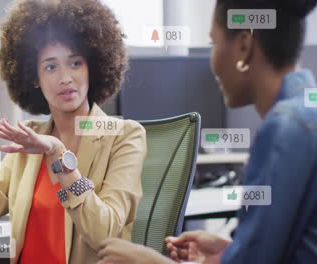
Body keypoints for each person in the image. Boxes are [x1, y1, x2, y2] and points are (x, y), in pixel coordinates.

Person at [97, 0, 317, 263]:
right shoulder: (305, 112)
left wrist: (149, 261)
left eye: (213, 43)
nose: (212, 60)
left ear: (244, 47)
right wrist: (229, 251)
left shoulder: (285, 129)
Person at [0, 0, 147, 263]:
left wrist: (58, 153)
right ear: (34, 77)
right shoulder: (28, 138)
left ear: (94, 67)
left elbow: (104, 234)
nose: (65, 77)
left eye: (75, 63)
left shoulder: (124, 136)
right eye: (51, 67)